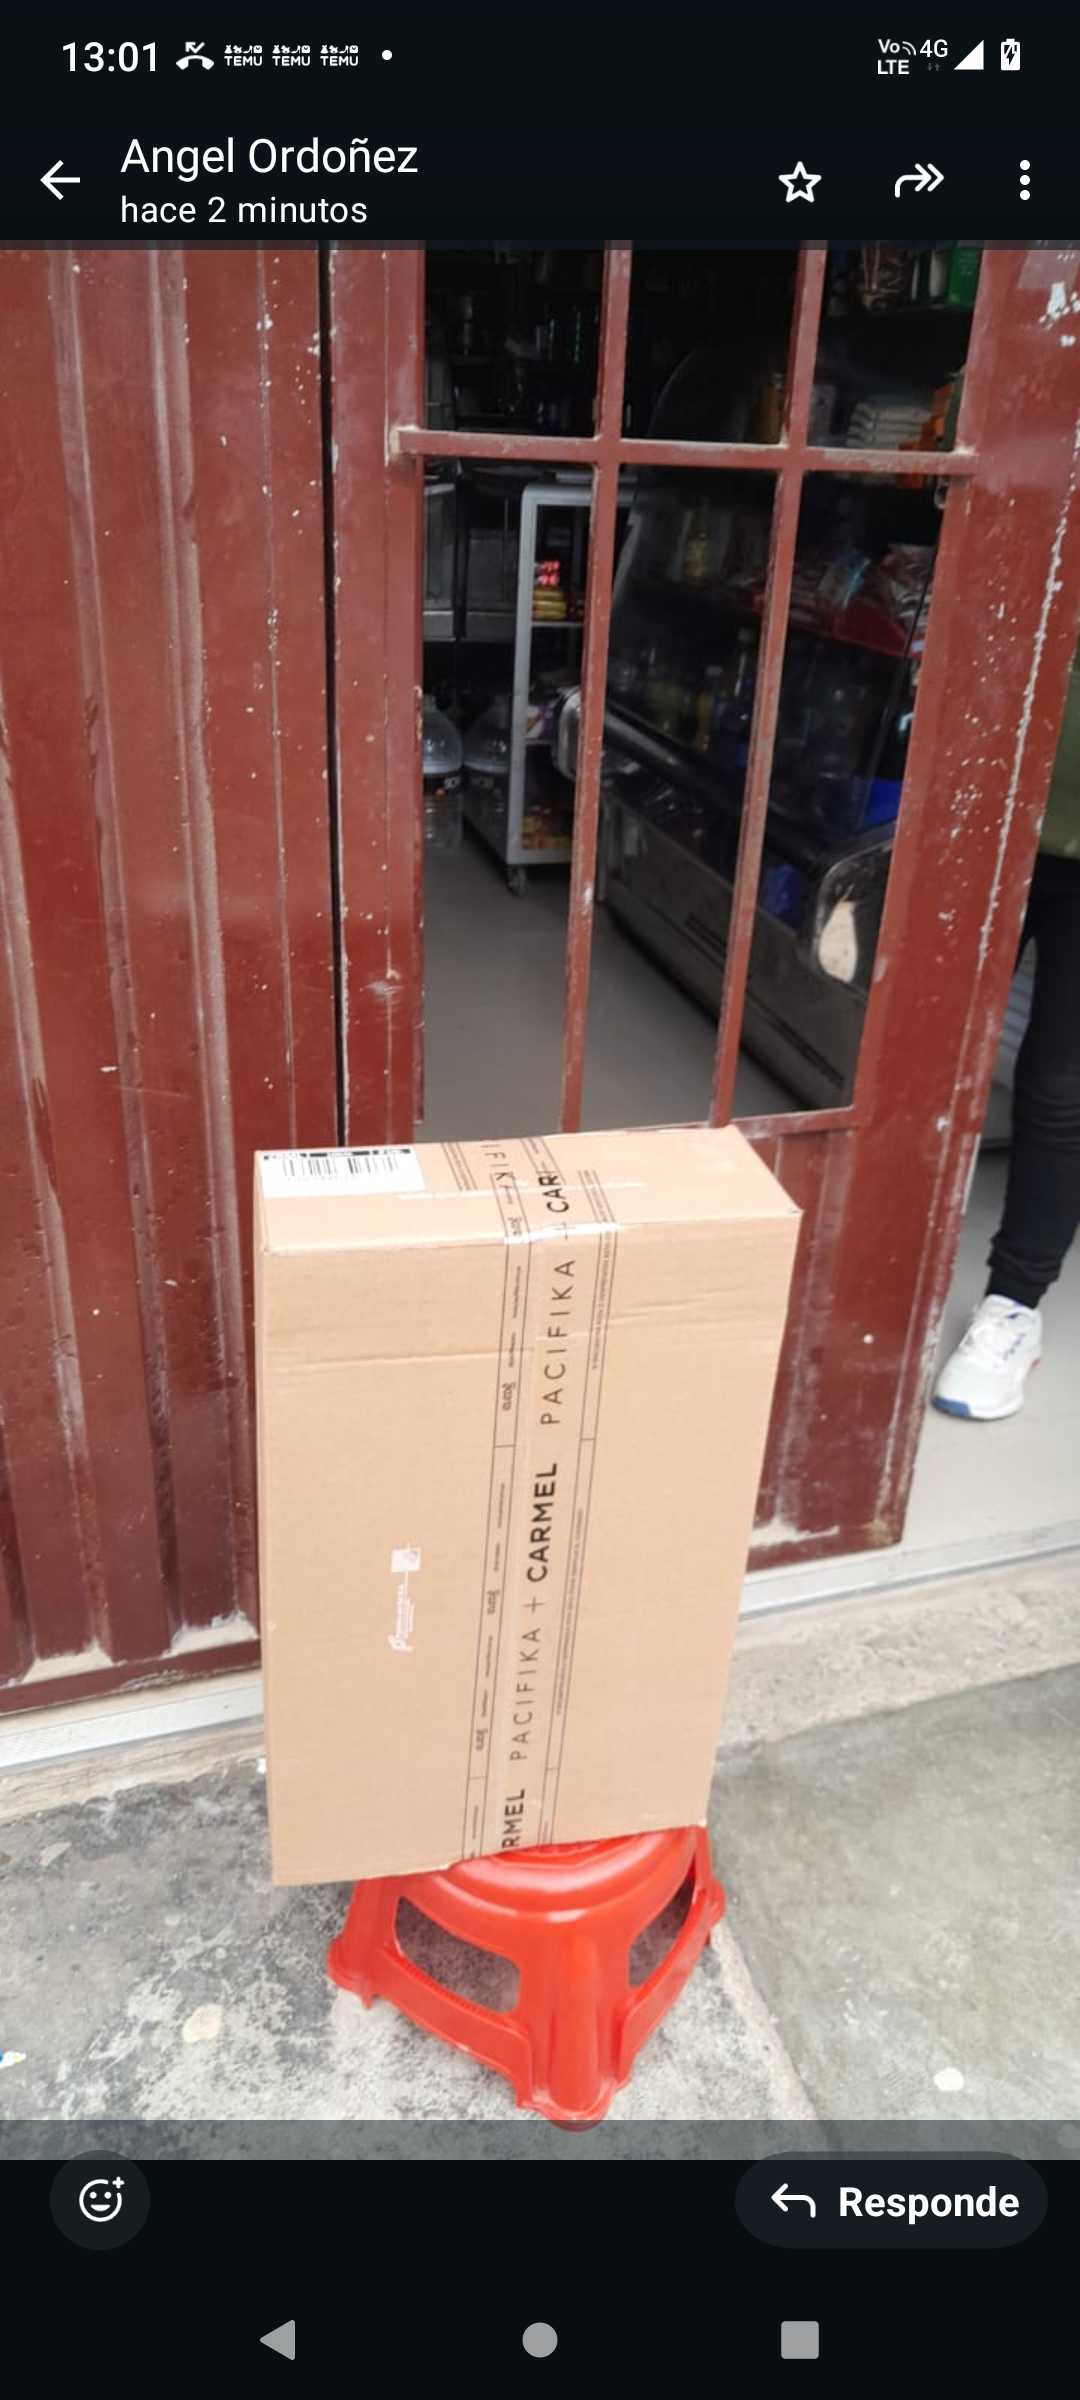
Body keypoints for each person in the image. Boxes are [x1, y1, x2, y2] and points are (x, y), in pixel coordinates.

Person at [934, 642, 1080, 1419]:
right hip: (988, 809)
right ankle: (878, 1259)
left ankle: (1013, 1308)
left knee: (1060, 1087)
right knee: (924, 1049)